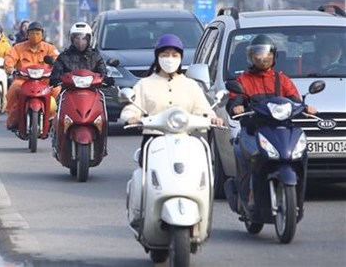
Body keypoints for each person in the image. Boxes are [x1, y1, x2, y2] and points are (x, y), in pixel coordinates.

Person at [226, 34, 317, 208]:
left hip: (279, 131)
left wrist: (305, 108)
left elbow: (295, 101)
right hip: (253, 130)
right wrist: (236, 107)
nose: (263, 57)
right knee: (253, 157)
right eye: (258, 54)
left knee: (298, 153)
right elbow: (234, 100)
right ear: (251, 57)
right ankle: (250, 194)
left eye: (267, 53)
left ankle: (296, 198)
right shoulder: (242, 80)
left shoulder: (281, 79)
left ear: (274, 56)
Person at [120, 34, 224, 165]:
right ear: (157, 57)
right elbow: (132, 108)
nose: (170, 59)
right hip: (154, 141)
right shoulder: (144, 84)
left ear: (181, 58)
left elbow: (203, 109)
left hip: (185, 141)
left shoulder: (190, 85)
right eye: (165, 54)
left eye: (175, 55)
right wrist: (131, 117)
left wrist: (212, 118)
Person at [4, 21, 60, 131]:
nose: (35, 36)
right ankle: (12, 117)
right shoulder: (18, 48)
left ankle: (57, 118)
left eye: (38, 33)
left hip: (45, 82)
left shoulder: (50, 48)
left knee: (58, 90)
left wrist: (58, 69)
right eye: (32, 33)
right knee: (14, 87)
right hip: (23, 81)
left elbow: (58, 60)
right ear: (27, 34)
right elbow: (9, 58)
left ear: (42, 35)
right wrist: (10, 68)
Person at [49, 22, 110, 87]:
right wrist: (55, 79)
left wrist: (106, 80)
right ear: (72, 39)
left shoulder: (96, 57)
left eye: (83, 38)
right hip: (69, 92)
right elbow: (56, 74)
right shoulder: (64, 57)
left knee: (104, 96)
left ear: (89, 39)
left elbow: (103, 73)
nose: (80, 41)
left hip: (92, 91)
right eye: (77, 38)